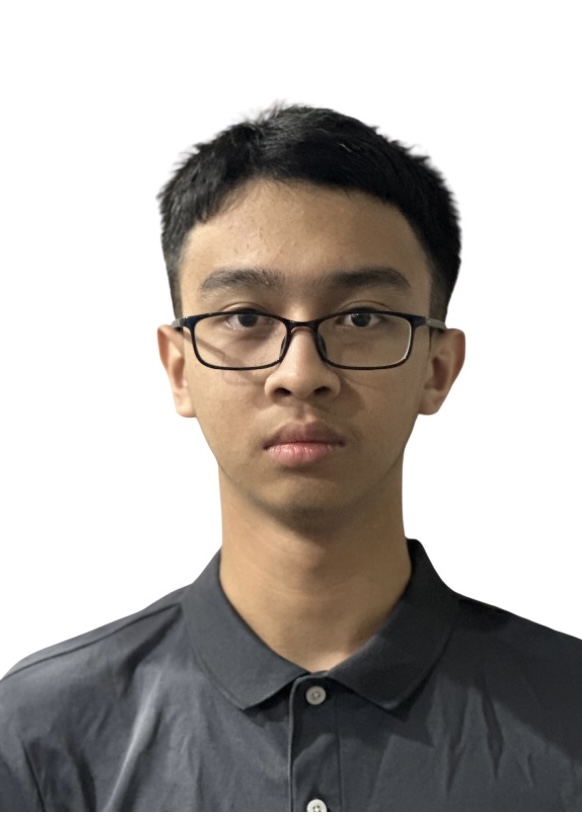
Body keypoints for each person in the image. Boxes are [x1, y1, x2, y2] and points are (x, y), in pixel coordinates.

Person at [1, 104, 581, 812]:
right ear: (179, 368)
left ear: (437, 367)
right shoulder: (40, 735)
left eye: (361, 317)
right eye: (245, 317)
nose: (301, 373)